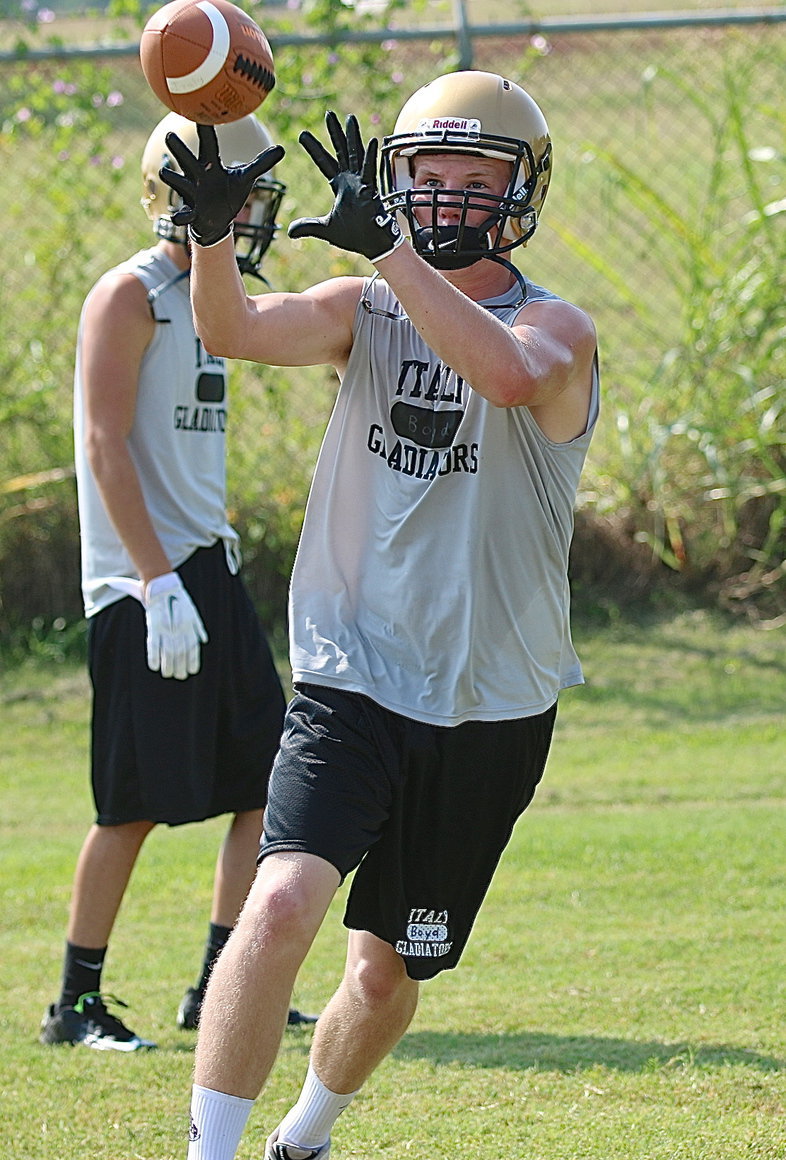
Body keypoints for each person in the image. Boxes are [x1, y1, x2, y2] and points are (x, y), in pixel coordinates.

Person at [160, 69, 599, 1157]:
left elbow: (505, 377)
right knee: (277, 904)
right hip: (352, 672)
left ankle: (303, 1138)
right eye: (427, 173)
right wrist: (211, 238)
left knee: (384, 975)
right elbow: (229, 329)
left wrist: (391, 254)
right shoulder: (362, 307)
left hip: (489, 701)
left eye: (474, 176)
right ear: (394, 179)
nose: (446, 195)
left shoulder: (558, 328)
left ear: (521, 190)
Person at [40, 111, 316, 1052]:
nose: (248, 214)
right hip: (143, 584)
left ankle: (222, 983)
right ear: (181, 194)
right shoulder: (129, 294)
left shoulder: (212, 294)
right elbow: (103, 443)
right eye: (232, 195)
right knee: (132, 804)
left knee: (268, 785)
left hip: (210, 566)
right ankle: (75, 1003)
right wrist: (156, 581)